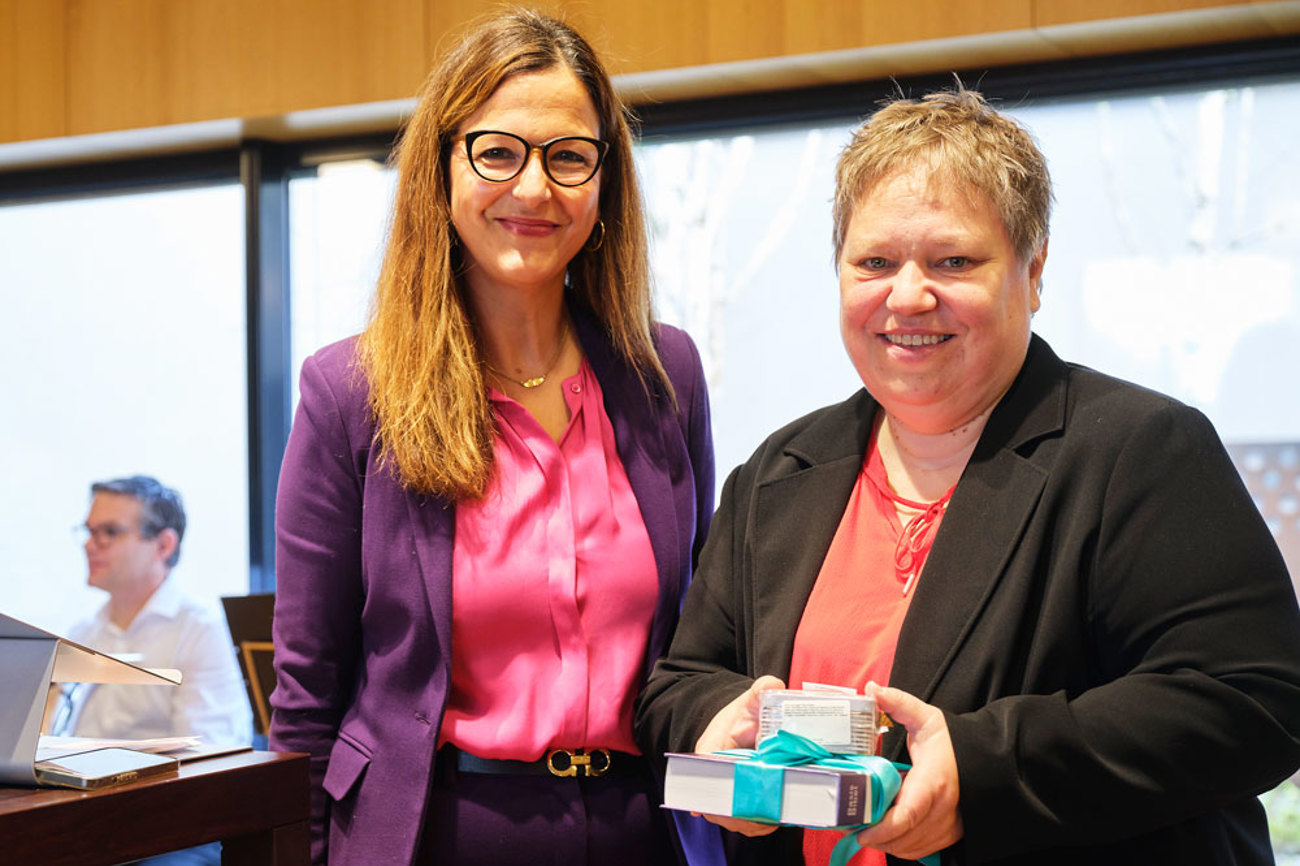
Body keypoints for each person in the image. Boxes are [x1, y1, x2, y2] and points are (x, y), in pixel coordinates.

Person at [635, 87, 1300, 866]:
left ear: (1033, 270)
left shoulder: (1141, 449)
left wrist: (978, 769)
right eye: (875, 262)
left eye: (953, 261)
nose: (908, 295)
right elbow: (682, 681)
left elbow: (1250, 702)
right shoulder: (779, 473)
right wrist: (719, 727)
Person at [268, 10, 715, 866]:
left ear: (605, 180)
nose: (535, 189)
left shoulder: (668, 373)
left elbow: (696, 640)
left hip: (644, 828)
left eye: (569, 156)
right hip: (436, 828)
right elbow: (307, 694)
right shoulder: (350, 394)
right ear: (442, 168)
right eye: (497, 151)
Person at [59, 475, 253, 866]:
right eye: (89, 530)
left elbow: (210, 758)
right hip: (87, 821)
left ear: (164, 544)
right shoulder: (83, 632)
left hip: (170, 831)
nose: (88, 544)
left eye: (108, 532)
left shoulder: (198, 627)